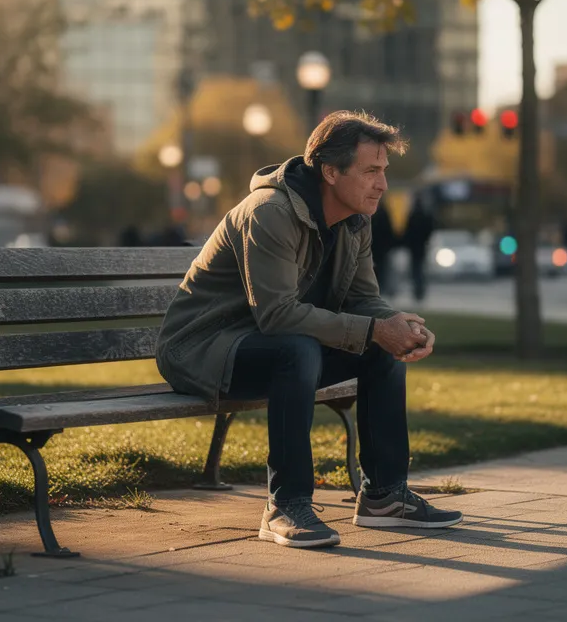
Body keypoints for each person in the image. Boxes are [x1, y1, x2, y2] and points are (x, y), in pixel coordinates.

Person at [155, 110, 462, 549]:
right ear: (331, 171)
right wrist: (375, 329)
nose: (382, 184)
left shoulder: (356, 220)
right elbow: (276, 315)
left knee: (377, 349)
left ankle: (384, 498)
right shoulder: (270, 213)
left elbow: (364, 300)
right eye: (371, 171)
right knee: (297, 350)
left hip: (278, 346)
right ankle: (286, 504)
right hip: (204, 350)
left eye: (384, 171)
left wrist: (399, 326)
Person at [401, 193, 436, 303]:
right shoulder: (425, 215)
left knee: (416, 269)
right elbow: (430, 230)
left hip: (414, 246)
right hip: (421, 246)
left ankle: (418, 291)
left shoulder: (413, 215)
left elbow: (408, 231)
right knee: (420, 269)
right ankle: (420, 291)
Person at [369, 202, 398, 296]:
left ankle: (380, 288)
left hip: (377, 247)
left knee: (379, 269)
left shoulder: (375, 215)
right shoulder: (383, 214)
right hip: (380, 247)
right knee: (382, 269)